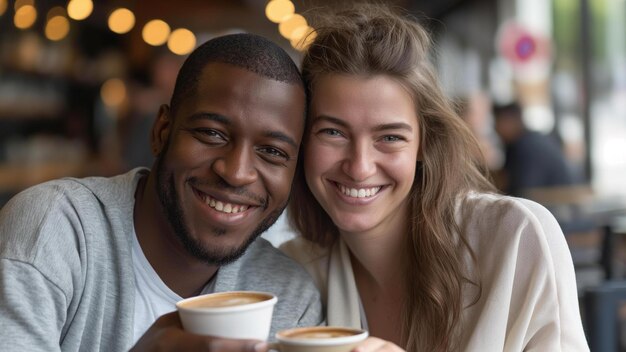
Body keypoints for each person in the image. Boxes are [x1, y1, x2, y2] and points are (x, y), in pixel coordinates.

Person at [280, 4, 589, 351]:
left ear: (425, 145)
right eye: (333, 132)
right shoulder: (295, 271)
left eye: (390, 137)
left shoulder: (515, 239)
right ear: (302, 138)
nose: (360, 166)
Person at [0, 33, 322, 352]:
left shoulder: (287, 297)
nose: (237, 173)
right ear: (161, 132)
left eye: (272, 152)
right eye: (211, 133)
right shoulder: (55, 232)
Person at [493, 102, 578, 197]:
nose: (496, 130)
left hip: (555, 206)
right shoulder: (522, 142)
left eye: (497, 123)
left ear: (509, 121)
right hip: (549, 205)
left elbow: (523, 191)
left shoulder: (528, 146)